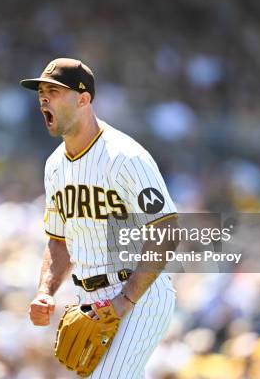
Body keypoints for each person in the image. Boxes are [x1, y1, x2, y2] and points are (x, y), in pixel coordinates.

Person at [21, 58, 179, 378]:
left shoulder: (125, 157)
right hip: (90, 298)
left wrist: (125, 300)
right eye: (41, 93)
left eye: (53, 91)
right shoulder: (54, 166)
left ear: (83, 99)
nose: (43, 99)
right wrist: (45, 291)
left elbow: (166, 229)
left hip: (139, 291)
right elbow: (58, 240)